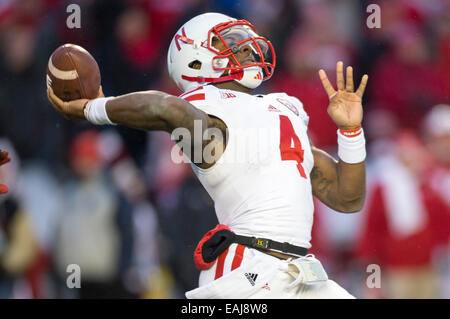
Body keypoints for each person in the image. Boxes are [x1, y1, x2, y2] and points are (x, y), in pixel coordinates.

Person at [47, 12, 368, 299]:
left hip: (298, 271)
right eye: (231, 41)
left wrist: (350, 133)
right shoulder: (207, 107)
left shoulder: (282, 107)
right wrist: (94, 107)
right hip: (250, 270)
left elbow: (346, 198)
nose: (247, 47)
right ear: (196, 59)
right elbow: (163, 107)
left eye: (245, 39)